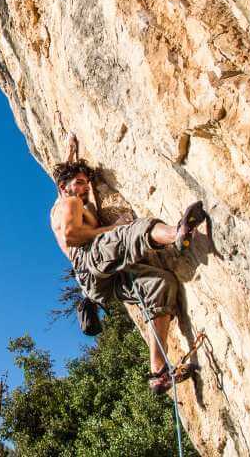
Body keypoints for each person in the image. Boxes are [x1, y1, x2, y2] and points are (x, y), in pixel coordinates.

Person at [49, 136, 207, 394]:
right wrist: (113, 227)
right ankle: (176, 234)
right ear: (63, 187)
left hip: (96, 283)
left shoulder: (70, 198)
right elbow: (72, 235)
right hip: (89, 260)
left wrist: (71, 153)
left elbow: (68, 180)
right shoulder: (70, 203)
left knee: (160, 284)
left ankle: (158, 372)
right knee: (131, 232)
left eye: (86, 184)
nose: (84, 189)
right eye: (79, 183)